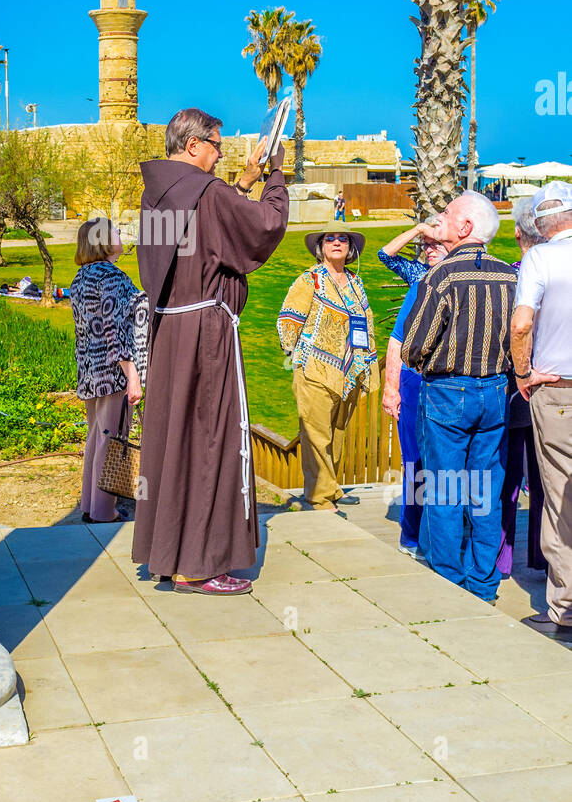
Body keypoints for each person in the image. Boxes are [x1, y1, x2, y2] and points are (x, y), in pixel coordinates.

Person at [132, 108, 288, 595]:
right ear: (194, 145)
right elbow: (262, 228)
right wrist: (276, 173)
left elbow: (204, 236)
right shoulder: (208, 192)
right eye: (217, 145)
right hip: (206, 338)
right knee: (209, 443)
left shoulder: (158, 194)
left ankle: (168, 554)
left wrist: (240, 183)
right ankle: (198, 565)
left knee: (172, 444)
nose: (221, 154)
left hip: (170, 334)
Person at [400, 190, 517, 602]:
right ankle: (483, 582)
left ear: (466, 227)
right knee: (485, 486)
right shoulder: (509, 275)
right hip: (496, 392)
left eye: (448, 214)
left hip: (449, 391)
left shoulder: (442, 275)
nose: (441, 219)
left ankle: (448, 580)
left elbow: (414, 346)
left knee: (446, 488)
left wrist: (425, 359)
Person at [278, 226, 379, 510]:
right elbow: (288, 318)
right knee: (317, 434)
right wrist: (298, 355)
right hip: (316, 370)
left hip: (348, 372)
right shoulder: (310, 280)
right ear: (321, 247)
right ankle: (318, 496)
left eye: (343, 239)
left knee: (336, 433)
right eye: (330, 239)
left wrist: (368, 361)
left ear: (350, 248)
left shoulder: (356, 283)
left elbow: (366, 322)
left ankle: (331, 487)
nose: (336, 243)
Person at [510, 182, 572, 636]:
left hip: (557, 391)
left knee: (558, 498)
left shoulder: (539, 259)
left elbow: (522, 321)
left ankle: (564, 607)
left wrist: (522, 371)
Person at [69, 219, 148, 524]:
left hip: (89, 371)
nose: (120, 236)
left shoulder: (81, 277)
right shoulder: (112, 278)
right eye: (115, 232)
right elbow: (117, 332)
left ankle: (90, 505)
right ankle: (104, 511)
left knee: (95, 437)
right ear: (102, 241)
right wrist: (133, 375)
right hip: (112, 372)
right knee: (111, 439)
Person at [379, 218, 445, 556]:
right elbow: (385, 254)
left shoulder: (459, 279)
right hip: (415, 378)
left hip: (448, 381)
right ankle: (413, 532)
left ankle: (441, 534)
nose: (431, 250)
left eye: (438, 244)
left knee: (446, 460)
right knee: (415, 459)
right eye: (427, 247)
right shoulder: (419, 278)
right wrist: (421, 230)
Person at [498, 198, 547, 577]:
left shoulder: (511, 277)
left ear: (517, 233)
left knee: (509, 478)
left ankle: (502, 557)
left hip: (518, 386)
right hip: (554, 386)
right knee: (548, 482)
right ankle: (544, 558)